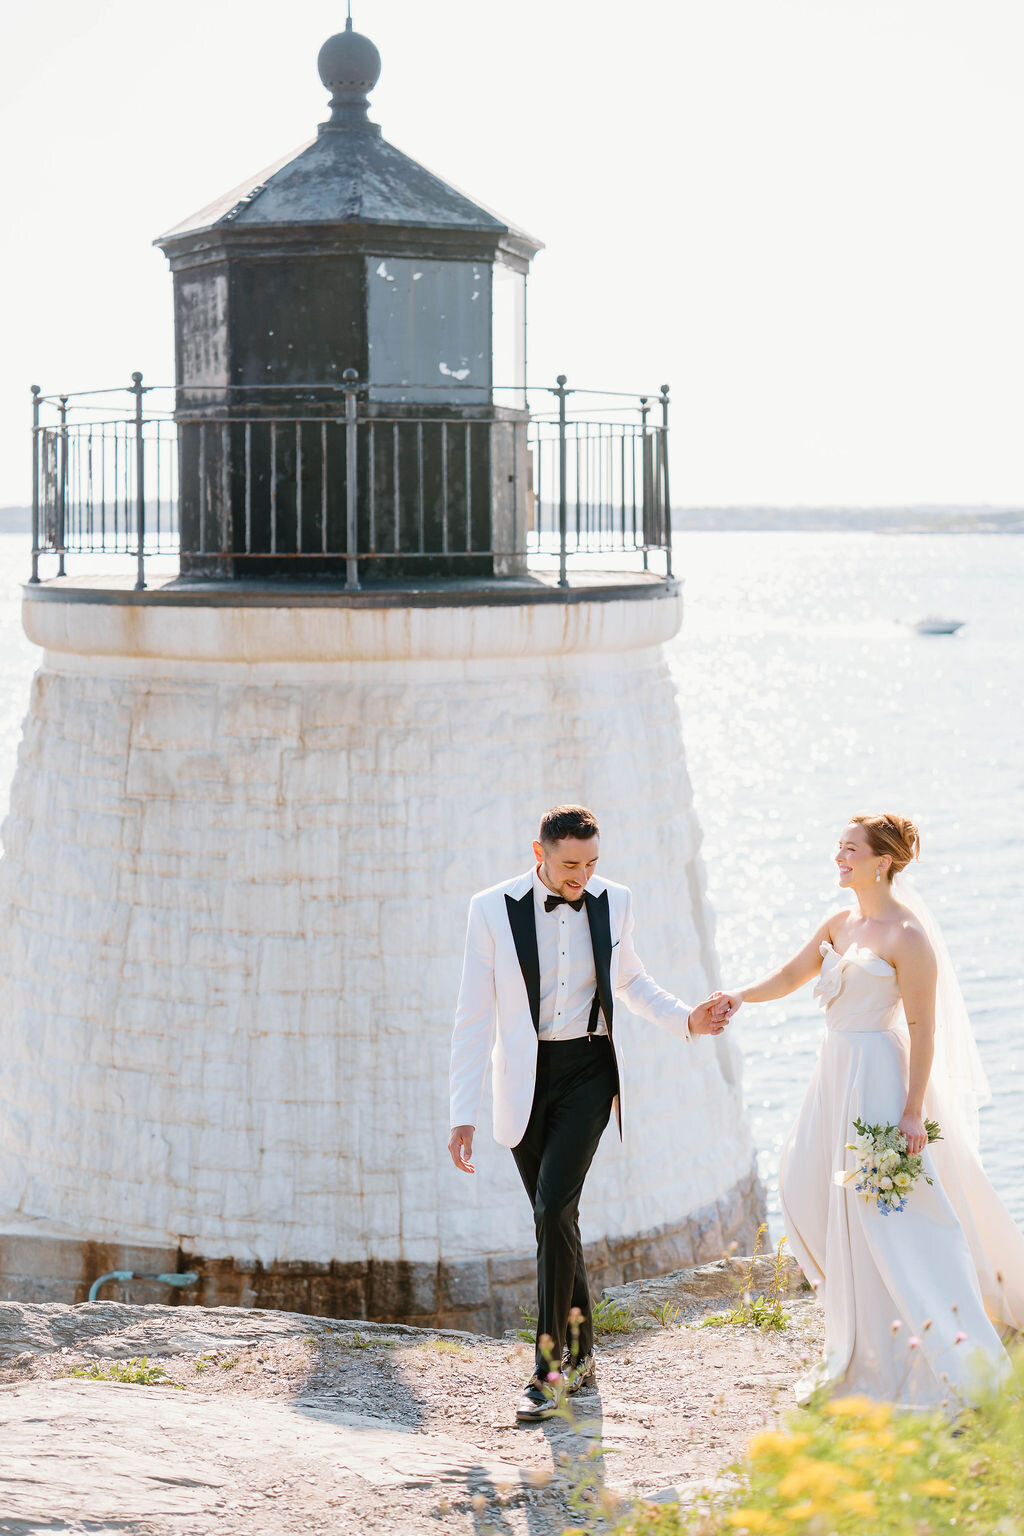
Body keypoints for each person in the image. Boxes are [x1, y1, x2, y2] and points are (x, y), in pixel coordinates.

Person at [719, 812, 1024, 1408]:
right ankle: (858, 1328)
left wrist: (912, 1110)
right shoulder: (840, 922)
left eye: (849, 850)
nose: (839, 857)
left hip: (879, 1081)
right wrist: (737, 997)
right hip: (833, 1074)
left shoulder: (907, 936)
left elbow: (922, 1027)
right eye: (839, 848)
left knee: (894, 1216)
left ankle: (946, 1350)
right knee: (802, 1179)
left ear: (881, 860)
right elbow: (789, 974)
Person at [447, 804, 732, 1424]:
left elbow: (631, 982)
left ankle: (549, 1372)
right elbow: (473, 1015)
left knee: (552, 1209)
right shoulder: (490, 909)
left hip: (589, 1071)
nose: (583, 876)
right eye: (570, 865)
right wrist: (461, 1112)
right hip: (524, 1080)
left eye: (592, 863)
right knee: (558, 1216)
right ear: (539, 853)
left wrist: (687, 1017)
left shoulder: (614, 900)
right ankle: (582, 1357)